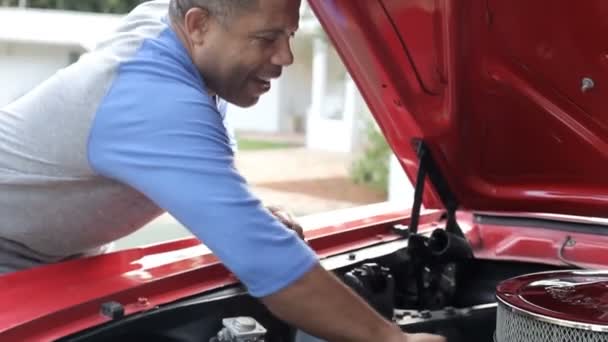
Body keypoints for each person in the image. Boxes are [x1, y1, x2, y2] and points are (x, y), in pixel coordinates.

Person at [0, 0, 445, 341]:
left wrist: (238, 207)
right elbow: (271, 267)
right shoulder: (155, 97)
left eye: (289, 34)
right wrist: (389, 337)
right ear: (197, 26)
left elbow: (180, 148)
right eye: (267, 38)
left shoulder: (172, 28)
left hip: (56, 255)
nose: (286, 56)